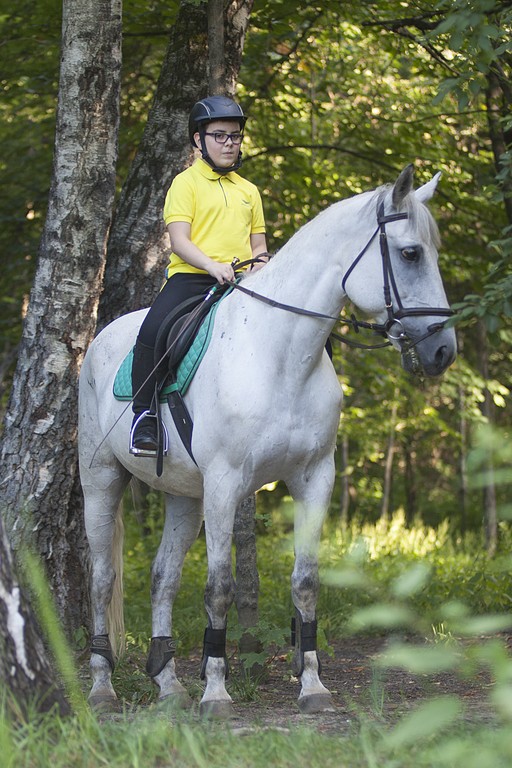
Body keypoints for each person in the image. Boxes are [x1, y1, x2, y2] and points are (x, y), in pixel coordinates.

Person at [130, 96, 269, 456]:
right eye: (219, 136)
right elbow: (179, 242)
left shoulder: (249, 191)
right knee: (152, 330)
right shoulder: (185, 183)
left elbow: (259, 247)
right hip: (193, 278)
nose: (229, 143)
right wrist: (211, 265)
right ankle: (143, 416)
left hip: (242, 284)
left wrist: (260, 267)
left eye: (235, 137)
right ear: (198, 140)